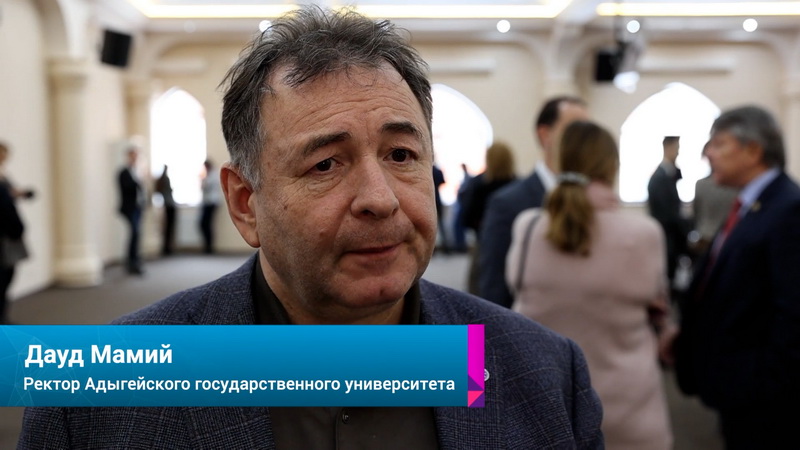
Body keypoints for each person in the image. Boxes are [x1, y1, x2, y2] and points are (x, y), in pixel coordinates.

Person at [18, 7, 603, 448]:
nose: (380, 200)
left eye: (401, 155)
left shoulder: (547, 375)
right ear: (245, 204)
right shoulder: (90, 401)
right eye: (325, 164)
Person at [507, 121, 674, 449]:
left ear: (558, 161)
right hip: (628, 411)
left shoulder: (528, 227)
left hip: (549, 406)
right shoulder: (644, 235)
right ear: (612, 166)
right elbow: (658, 306)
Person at [675, 105, 800, 449]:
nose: (708, 153)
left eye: (719, 144)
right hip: (739, 386)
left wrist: (761, 385)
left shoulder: (789, 210)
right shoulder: (751, 205)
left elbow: (793, 314)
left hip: (764, 401)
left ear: (753, 150)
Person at [478, 96, 588, 307]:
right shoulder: (508, 203)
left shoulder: (594, 200)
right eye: (574, 130)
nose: (585, 140)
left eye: (589, 132)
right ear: (545, 135)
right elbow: (495, 289)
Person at [461, 141, 516, 295]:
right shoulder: (518, 187)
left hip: (484, 243)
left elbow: (467, 218)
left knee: (478, 291)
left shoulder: (479, 186)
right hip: (514, 244)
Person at [647, 136, 692, 292]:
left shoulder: (668, 174)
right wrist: (687, 228)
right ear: (668, 148)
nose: (678, 153)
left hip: (671, 237)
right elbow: (668, 214)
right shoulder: (659, 178)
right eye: (676, 149)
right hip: (667, 238)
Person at [0, 142, 31, 324]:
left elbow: (9, 195)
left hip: (8, 234)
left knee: (7, 275)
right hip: (4, 233)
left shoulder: (3, 175)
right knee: (3, 277)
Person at [690, 143, 739, 255]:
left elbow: (696, 213)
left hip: (705, 236)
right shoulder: (735, 186)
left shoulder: (701, 184)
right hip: (726, 237)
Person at [117, 145, 145, 275]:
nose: (135, 158)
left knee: (137, 234)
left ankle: (135, 260)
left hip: (138, 207)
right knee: (134, 232)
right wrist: (137, 182)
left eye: (136, 155)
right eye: (133, 155)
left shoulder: (137, 171)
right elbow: (127, 188)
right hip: (129, 208)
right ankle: (131, 261)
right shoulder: (124, 172)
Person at [199, 159, 221, 254]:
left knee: (206, 224)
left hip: (211, 202)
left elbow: (206, 186)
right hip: (207, 202)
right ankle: (208, 246)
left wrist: (202, 180)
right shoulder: (209, 175)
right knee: (204, 224)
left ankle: (209, 247)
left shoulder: (213, 175)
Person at [450, 163, 472, 253]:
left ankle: (460, 245)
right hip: (461, 205)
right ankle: (460, 245)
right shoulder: (466, 178)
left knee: (458, 226)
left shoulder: (468, 178)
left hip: (463, 206)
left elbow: (465, 191)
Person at [155, 165, 177, 255]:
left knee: (167, 227)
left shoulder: (160, 180)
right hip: (170, 205)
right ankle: (167, 247)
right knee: (169, 227)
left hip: (166, 204)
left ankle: (166, 247)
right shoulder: (165, 179)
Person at [432, 163, 449, 253]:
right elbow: (443, 182)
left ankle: (432, 248)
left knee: (431, 224)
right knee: (442, 224)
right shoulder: (438, 171)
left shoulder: (429, 171)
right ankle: (445, 246)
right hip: (438, 200)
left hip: (431, 200)